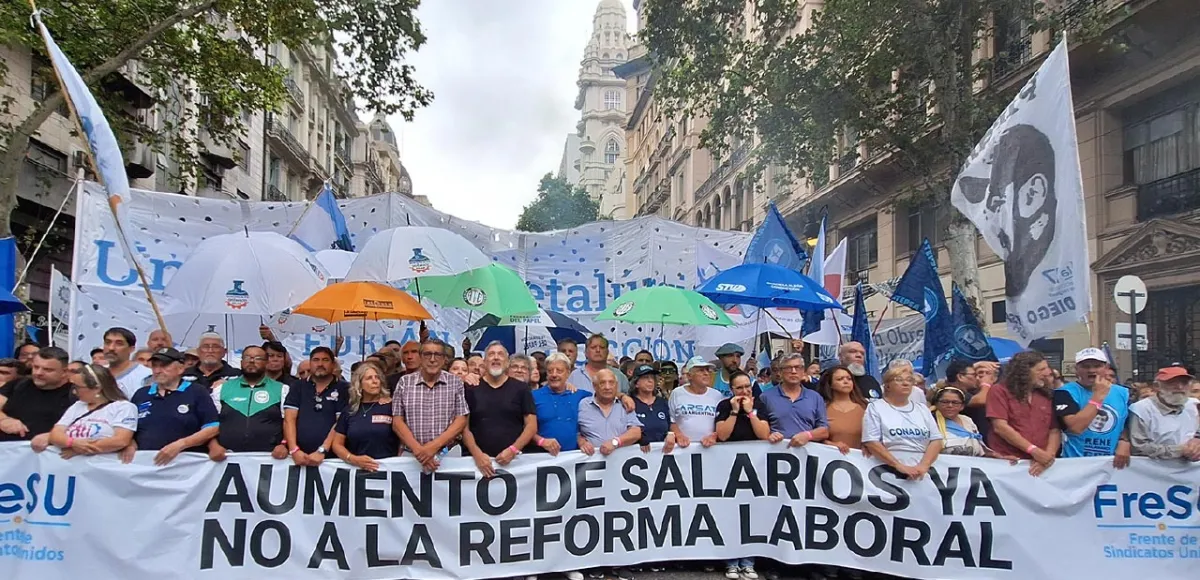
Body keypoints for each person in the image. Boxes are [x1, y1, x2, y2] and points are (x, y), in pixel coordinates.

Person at [713, 370, 768, 580]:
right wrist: (735, 412)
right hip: (729, 466)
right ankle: (731, 561)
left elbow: (763, 433)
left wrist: (751, 411)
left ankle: (748, 562)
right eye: (739, 388)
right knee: (731, 514)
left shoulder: (759, 404)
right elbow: (723, 435)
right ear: (731, 390)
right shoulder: (725, 406)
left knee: (752, 515)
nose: (744, 391)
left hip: (755, 466)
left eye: (747, 386)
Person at [127, 348, 220, 465]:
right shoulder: (141, 394)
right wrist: (130, 444)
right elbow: (129, 428)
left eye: (164, 366)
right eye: (155, 366)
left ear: (181, 368)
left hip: (185, 465)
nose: (158, 370)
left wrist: (181, 444)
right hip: (145, 464)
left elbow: (212, 427)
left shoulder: (197, 391)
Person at [392, 339, 470, 472]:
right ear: (421, 357)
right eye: (427, 354)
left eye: (437, 355)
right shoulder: (405, 382)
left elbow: (461, 419)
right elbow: (397, 421)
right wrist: (419, 451)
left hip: (448, 454)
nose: (432, 359)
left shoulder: (455, 382)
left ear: (444, 359)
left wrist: (432, 447)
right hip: (412, 455)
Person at [463, 342, 537, 477]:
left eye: (500, 354)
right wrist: (477, 455)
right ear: (484, 362)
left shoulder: (521, 389)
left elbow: (531, 426)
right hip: (477, 465)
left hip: (515, 464)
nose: (496, 357)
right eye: (491, 354)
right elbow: (464, 427)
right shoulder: (470, 388)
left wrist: (513, 450)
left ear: (507, 362)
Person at [986, 351, 1060, 476]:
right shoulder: (999, 391)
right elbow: (1000, 427)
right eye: (1041, 369)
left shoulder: (1046, 394)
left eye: (1047, 368)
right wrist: (1033, 450)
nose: (1048, 373)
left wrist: (1048, 457)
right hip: (1009, 464)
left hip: (1041, 466)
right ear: (1024, 372)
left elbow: (1054, 430)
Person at [862, 367, 943, 480]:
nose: (905, 383)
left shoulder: (922, 409)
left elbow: (936, 440)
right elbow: (871, 441)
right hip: (887, 469)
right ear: (887, 385)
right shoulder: (876, 407)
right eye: (899, 380)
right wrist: (898, 465)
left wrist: (923, 466)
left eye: (909, 380)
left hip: (922, 469)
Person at [1055, 348, 1131, 466]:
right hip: (1075, 463)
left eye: (1097, 366)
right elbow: (1076, 427)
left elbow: (1125, 423)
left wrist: (1124, 441)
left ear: (1106, 368)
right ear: (1077, 369)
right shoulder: (1064, 392)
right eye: (1085, 366)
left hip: (1110, 463)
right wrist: (1098, 396)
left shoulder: (1123, 393)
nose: (1091, 370)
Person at [209, 345, 288, 457]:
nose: (251, 361)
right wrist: (213, 445)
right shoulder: (222, 388)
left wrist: (284, 444)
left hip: (269, 458)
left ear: (266, 363)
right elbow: (209, 422)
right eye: (247, 357)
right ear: (241, 362)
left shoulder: (282, 389)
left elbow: (290, 422)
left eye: (257, 358)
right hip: (227, 458)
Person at [45, 364, 136, 459]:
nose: (74, 392)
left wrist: (79, 450)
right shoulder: (78, 406)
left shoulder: (123, 407)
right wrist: (72, 443)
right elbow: (55, 434)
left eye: (77, 387)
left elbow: (120, 440)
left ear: (97, 388)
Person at [283, 347, 348, 466]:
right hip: (297, 456)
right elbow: (289, 419)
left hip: (332, 459)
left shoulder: (345, 388)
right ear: (310, 363)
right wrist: (293, 449)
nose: (320, 364)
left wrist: (322, 450)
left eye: (325, 360)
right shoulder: (297, 386)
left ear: (333, 365)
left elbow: (340, 423)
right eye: (316, 360)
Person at [0, 347, 74, 447]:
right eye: (36, 367)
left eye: (47, 370)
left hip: (50, 456)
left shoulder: (76, 393)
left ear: (64, 372)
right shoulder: (18, 385)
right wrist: (4, 420)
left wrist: (53, 436)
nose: (38, 373)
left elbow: (87, 424)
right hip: (8, 453)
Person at [331, 362, 398, 471]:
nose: (375, 381)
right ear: (359, 384)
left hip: (388, 471)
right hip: (357, 471)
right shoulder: (350, 410)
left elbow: (402, 440)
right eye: (369, 378)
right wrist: (353, 459)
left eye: (377, 377)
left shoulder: (391, 406)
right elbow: (337, 444)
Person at [1124, 366, 1200, 461]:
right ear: (1157, 386)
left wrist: (1196, 443)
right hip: (1152, 471)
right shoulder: (1141, 409)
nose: (1180, 387)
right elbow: (1139, 448)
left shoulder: (1193, 405)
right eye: (1173, 383)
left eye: (1184, 382)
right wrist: (1179, 451)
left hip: (1188, 470)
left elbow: (1197, 433)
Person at [529, 352, 591, 455]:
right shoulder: (533, 396)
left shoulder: (579, 395)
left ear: (568, 373)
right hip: (541, 458)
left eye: (559, 371)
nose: (554, 374)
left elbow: (604, 397)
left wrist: (622, 396)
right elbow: (523, 427)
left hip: (573, 460)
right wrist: (541, 441)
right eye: (550, 371)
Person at [760, 353, 828, 446]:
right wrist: (769, 435)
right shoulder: (765, 397)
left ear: (803, 371)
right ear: (780, 372)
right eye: (788, 368)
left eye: (798, 367)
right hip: (775, 452)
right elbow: (760, 428)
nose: (793, 371)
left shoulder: (815, 397)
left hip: (807, 455)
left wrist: (808, 435)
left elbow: (824, 431)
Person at [932, 386, 1018, 460]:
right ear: (936, 404)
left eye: (955, 402)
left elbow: (981, 453)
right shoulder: (931, 422)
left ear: (962, 406)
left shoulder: (967, 421)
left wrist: (1000, 459)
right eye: (945, 402)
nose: (950, 405)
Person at [577, 369, 642, 455]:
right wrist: (582, 442)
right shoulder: (583, 405)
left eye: (611, 383)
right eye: (602, 383)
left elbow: (636, 432)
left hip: (620, 461)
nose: (607, 387)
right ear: (594, 386)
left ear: (616, 385)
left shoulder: (625, 404)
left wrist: (615, 442)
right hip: (591, 463)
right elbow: (574, 431)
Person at [668, 357, 724, 448]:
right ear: (690, 375)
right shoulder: (677, 393)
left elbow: (721, 421)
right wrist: (678, 435)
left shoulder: (717, 395)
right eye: (701, 370)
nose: (706, 373)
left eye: (707, 370)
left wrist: (714, 435)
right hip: (683, 448)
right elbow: (670, 419)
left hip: (710, 448)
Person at [818, 365, 868, 454]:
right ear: (830, 384)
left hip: (861, 462)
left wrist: (869, 446)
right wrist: (830, 444)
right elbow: (813, 437)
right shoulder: (821, 408)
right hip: (830, 459)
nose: (846, 382)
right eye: (840, 379)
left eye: (849, 379)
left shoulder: (865, 408)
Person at [630, 364, 675, 452]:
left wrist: (671, 434)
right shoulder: (630, 403)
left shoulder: (662, 403)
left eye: (652, 378)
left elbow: (671, 424)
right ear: (636, 383)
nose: (650, 380)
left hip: (662, 454)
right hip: (636, 455)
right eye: (645, 377)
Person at [102, 327, 154, 398]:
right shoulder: (96, 373)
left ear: (131, 349)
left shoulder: (146, 375)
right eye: (108, 342)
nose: (111, 348)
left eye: (119, 344)